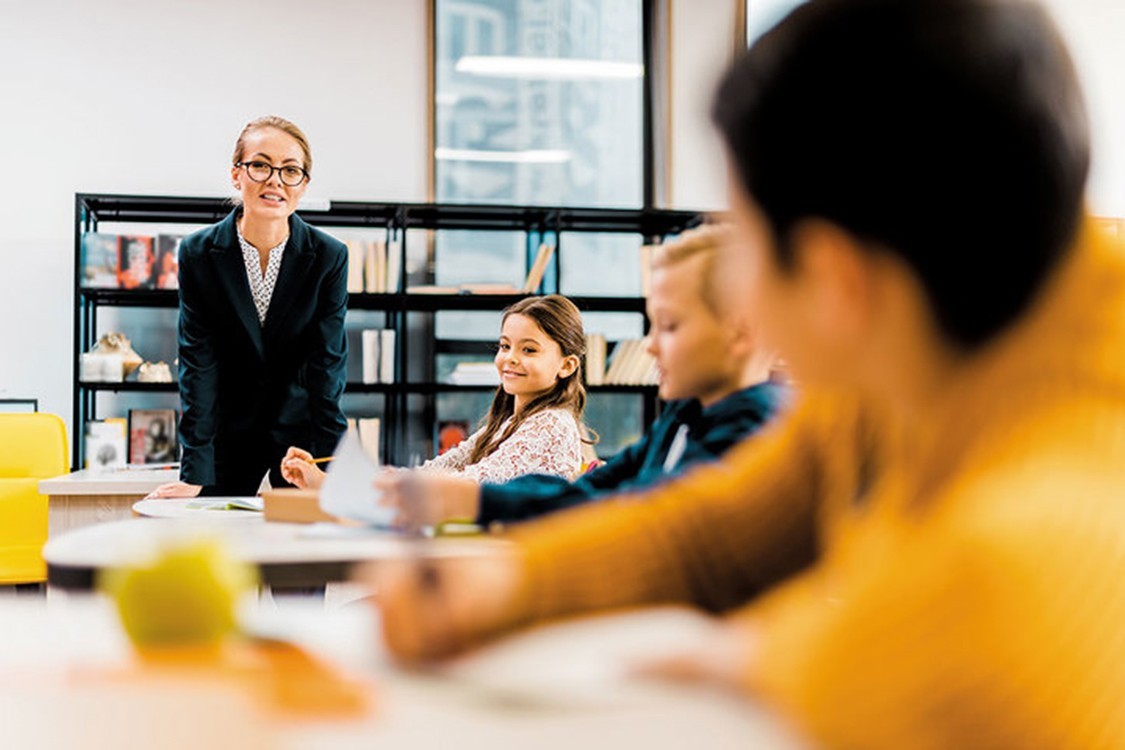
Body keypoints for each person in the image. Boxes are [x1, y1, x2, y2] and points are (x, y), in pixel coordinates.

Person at [367, 1, 1125, 746]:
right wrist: (511, 585)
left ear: (835, 281)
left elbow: (979, 641)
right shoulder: (910, 350)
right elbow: (716, 536)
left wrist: (755, 659)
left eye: (746, 249)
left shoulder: (1037, 546)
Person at [374, 225, 786, 528]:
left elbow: (653, 529)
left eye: (671, 326)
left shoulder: (753, 432)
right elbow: (591, 492)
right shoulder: (683, 416)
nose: (650, 346)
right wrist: (473, 498)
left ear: (741, 331)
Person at [148, 116, 347, 498]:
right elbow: (198, 364)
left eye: (290, 170)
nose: (275, 180)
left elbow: (328, 367)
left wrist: (331, 468)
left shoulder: (329, 257)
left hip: (299, 441)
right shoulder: (198, 254)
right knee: (210, 539)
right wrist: (194, 472)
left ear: (303, 186)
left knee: (304, 547)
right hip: (225, 435)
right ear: (236, 174)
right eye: (260, 165)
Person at [282, 294, 589, 490]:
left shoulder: (551, 425)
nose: (510, 358)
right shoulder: (509, 423)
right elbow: (433, 472)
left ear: (567, 365)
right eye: (505, 346)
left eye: (529, 350)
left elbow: (471, 483)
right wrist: (331, 482)